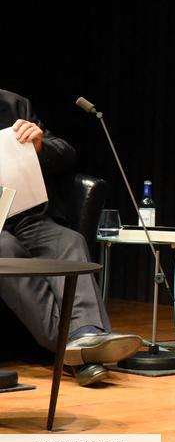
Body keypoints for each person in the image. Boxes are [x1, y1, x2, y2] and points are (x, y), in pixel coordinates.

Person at [0, 90, 141, 386]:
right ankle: (83, 348)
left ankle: (83, 338)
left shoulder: (14, 104)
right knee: (5, 249)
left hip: (26, 216)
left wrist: (40, 145)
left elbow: (65, 153)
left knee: (68, 240)